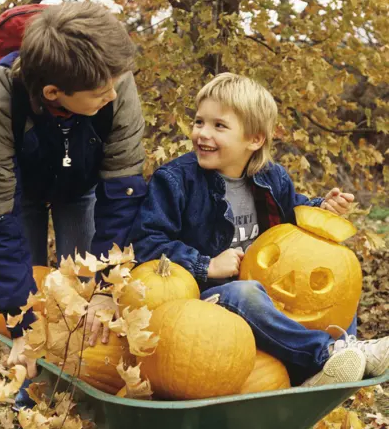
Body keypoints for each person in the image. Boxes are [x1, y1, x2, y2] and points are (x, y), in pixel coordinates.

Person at [129, 72, 389, 387]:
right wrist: (206, 265)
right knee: (245, 293)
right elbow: (147, 242)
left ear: (254, 139)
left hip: (263, 290)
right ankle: (329, 354)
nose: (202, 133)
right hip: (204, 301)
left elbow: (294, 212)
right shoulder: (175, 181)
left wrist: (322, 207)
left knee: (341, 285)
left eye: (219, 126)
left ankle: (326, 370)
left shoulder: (272, 177)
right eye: (199, 122)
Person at [0, 1, 147, 429]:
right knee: (28, 298)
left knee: (82, 293)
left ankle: (78, 389)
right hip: (16, 193)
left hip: (80, 187)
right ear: (53, 92)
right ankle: (30, 397)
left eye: (116, 84)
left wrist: (105, 285)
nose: (114, 96)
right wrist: (21, 324)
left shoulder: (113, 81)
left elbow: (122, 194)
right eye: (101, 93)